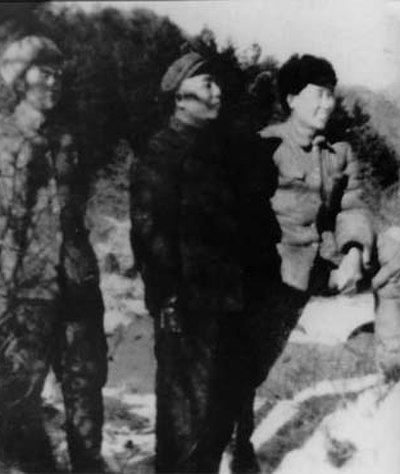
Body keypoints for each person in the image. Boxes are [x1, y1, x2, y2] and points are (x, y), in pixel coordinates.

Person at [231, 53, 400, 471]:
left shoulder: (339, 151)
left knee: (397, 257)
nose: (327, 104)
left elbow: (352, 203)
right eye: (318, 95)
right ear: (292, 98)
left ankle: (395, 367)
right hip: (278, 270)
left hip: (329, 259)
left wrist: (353, 251)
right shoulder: (266, 146)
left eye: (331, 95)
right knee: (252, 362)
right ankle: (238, 440)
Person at [0, 36, 107, 473]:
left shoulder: (71, 137)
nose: (54, 81)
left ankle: (88, 465)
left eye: (58, 72)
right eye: (44, 72)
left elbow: (79, 204)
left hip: (76, 281)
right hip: (21, 288)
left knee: (86, 385)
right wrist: (0, 262)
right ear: (19, 79)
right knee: (20, 391)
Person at [130, 41, 262, 473]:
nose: (218, 91)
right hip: (185, 304)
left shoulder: (217, 150)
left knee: (216, 412)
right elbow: (150, 231)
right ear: (181, 94)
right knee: (185, 416)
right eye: (208, 83)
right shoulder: (161, 151)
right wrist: (166, 295)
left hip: (223, 301)